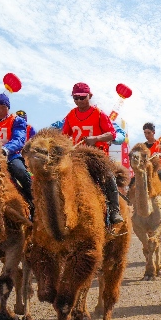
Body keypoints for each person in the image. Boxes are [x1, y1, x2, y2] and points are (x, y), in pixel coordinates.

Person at [61, 82, 123, 225]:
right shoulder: (71, 114)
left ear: (90, 96)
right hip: (76, 156)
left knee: (108, 177)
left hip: (96, 155)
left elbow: (112, 134)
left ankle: (115, 210)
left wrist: (95, 139)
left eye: (82, 98)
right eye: (75, 98)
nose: (78, 101)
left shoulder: (99, 114)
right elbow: (64, 135)